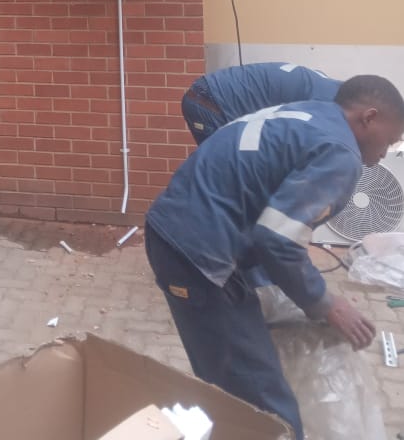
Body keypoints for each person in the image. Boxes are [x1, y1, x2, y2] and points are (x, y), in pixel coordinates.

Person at [145, 74, 404, 440]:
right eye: (389, 141)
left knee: (236, 382)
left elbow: (273, 225)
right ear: (369, 117)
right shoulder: (340, 154)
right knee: (262, 403)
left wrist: (302, 296)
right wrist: (326, 304)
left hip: (187, 231)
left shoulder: (313, 114)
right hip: (197, 252)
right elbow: (278, 240)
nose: (382, 156)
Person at [182, 61, 340, 145]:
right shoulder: (322, 104)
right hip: (209, 101)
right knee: (222, 175)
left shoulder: (326, 86)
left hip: (212, 95)